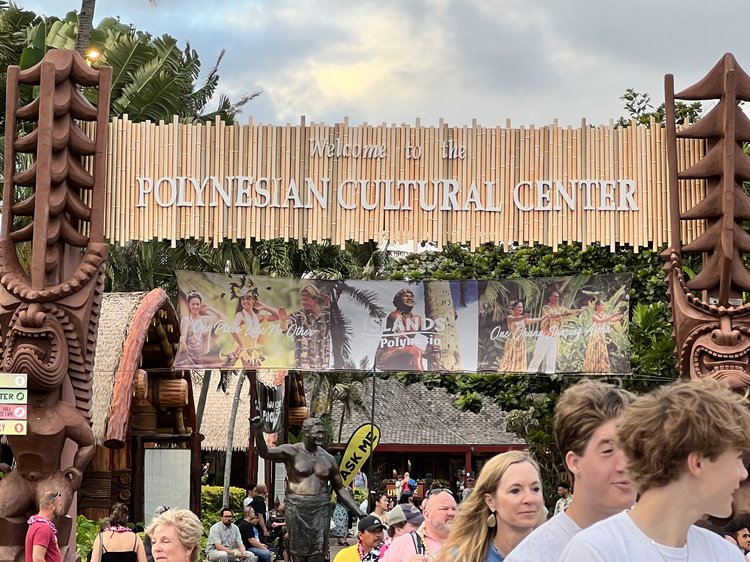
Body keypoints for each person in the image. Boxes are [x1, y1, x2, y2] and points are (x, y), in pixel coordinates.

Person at [559, 378, 750, 561]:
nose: (743, 473)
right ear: (697, 463)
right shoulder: (596, 552)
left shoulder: (725, 554)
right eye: (737, 459)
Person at [506, 379, 636, 562]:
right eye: (608, 451)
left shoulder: (670, 541)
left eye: (633, 449)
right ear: (574, 462)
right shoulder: (534, 556)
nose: (625, 464)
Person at [252, 416, 364, 562]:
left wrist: (360, 513)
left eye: (322, 433)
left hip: (320, 508)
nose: (321, 436)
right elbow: (264, 452)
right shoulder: (291, 451)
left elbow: (340, 489)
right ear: (306, 431)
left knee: (318, 553)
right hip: (297, 508)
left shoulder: (328, 459)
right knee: (297, 554)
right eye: (317, 433)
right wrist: (258, 430)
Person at [439, 451, 543, 562]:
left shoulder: (559, 553)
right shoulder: (461, 558)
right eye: (515, 490)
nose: (530, 499)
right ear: (490, 501)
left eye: (535, 489)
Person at [382, 489, 457, 561]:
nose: (452, 513)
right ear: (427, 515)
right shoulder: (402, 543)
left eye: (454, 509)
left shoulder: (466, 542)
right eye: (444, 509)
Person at [226, 278, 285, 368]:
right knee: (247, 373)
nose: (245, 301)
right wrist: (242, 346)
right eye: (243, 299)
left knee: (254, 374)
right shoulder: (240, 315)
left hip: (254, 351)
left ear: (254, 300)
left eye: (248, 298)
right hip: (243, 352)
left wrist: (264, 306)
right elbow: (233, 330)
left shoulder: (257, 317)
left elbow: (278, 316)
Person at [527, 290, 582, 374]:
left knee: (551, 360)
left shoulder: (560, 308)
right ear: (550, 297)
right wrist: (563, 313)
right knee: (537, 358)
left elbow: (569, 312)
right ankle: (529, 375)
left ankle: (549, 378)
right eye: (555, 296)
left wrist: (580, 310)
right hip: (545, 335)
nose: (557, 298)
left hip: (554, 336)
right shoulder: (546, 307)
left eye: (558, 297)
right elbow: (552, 314)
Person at [375, 288, 429, 371]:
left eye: (411, 296)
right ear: (398, 301)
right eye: (406, 296)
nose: (409, 298)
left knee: (413, 351)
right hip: (388, 354)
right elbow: (402, 338)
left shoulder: (416, 319)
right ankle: (423, 379)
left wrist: (449, 319)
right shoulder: (395, 315)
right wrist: (424, 353)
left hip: (406, 352)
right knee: (413, 351)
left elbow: (430, 332)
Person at [283, 284, 332, 370]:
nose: (303, 302)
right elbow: (285, 328)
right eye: (302, 300)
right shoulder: (297, 316)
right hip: (303, 367)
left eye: (306, 299)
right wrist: (283, 320)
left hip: (324, 366)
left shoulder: (326, 317)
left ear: (315, 300)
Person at [177, 290, 224, 367]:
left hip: (199, 358)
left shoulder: (205, 320)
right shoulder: (186, 320)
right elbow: (182, 340)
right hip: (186, 359)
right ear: (189, 305)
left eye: (197, 304)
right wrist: (190, 360)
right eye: (193, 304)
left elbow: (222, 318)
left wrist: (209, 308)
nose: (195, 306)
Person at [498, 301, 544, 372]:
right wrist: (524, 316)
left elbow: (531, 321)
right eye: (519, 307)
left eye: (521, 307)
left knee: (520, 361)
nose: (521, 309)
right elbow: (516, 319)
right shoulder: (510, 317)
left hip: (521, 342)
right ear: (514, 308)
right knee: (510, 360)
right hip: (512, 343)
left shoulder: (523, 318)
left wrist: (541, 318)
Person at [581, 299, 625, 373]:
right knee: (595, 353)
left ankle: (602, 370)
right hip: (595, 337)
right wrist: (613, 316)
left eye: (603, 305)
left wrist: (623, 314)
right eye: (601, 305)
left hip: (601, 337)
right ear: (597, 306)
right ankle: (594, 369)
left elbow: (614, 320)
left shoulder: (604, 315)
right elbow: (602, 321)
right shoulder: (594, 316)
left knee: (602, 353)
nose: (603, 307)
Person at [25, 490, 64, 562]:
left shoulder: (36, 524)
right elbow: (38, 559)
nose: (61, 509)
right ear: (53, 507)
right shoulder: (43, 528)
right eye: (60, 505)